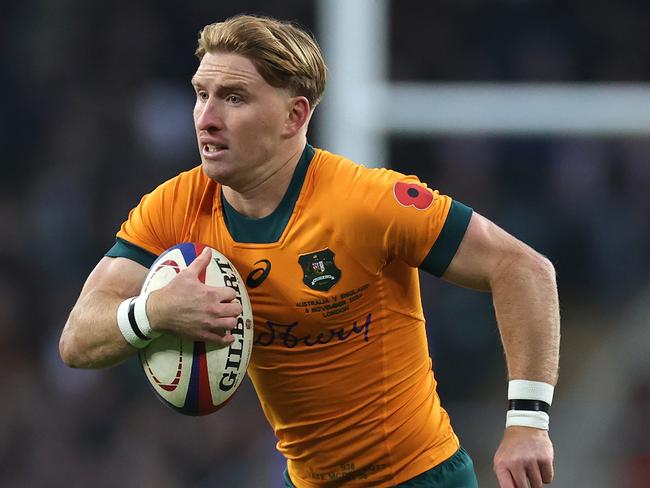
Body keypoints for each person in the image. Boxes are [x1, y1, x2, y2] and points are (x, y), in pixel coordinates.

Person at [59, 14, 560, 488]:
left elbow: (522, 266)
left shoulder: (365, 201)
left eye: (233, 98)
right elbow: (77, 341)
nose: (206, 118)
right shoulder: (174, 206)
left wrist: (528, 423)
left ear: (294, 115)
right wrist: (154, 310)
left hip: (418, 477)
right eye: (200, 94)